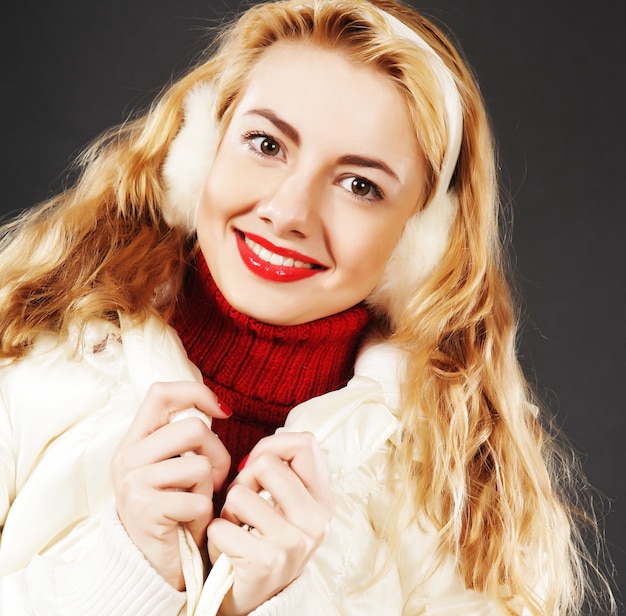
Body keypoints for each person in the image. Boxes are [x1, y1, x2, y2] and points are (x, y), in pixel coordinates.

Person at [0, 0, 616, 614]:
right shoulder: (25, 355)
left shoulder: (453, 482)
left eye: (360, 186)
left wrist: (283, 604)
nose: (289, 212)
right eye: (266, 144)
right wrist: (129, 569)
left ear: (416, 240)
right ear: (203, 150)